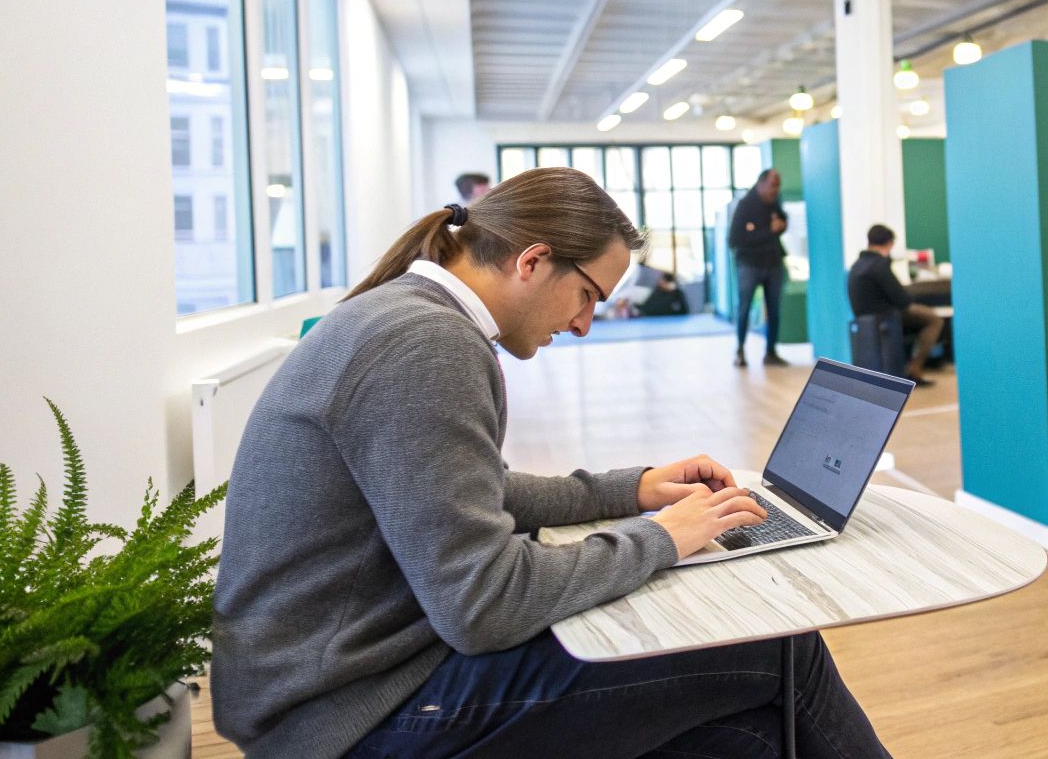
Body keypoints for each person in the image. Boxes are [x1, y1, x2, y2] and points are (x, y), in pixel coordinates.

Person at [212, 168, 890, 759]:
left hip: (342, 688)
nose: (585, 323)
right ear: (533, 262)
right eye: (588, 295)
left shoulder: (402, 316)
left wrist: (636, 489)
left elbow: (476, 493)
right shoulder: (425, 342)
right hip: (353, 715)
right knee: (781, 648)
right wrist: (662, 537)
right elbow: (485, 602)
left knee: (755, 739)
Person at [848, 224, 945, 383]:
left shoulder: (857, 265)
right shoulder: (879, 265)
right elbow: (903, 300)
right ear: (890, 243)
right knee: (934, 319)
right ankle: (915, 368)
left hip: (868, 318)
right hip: (885, 316)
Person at [727, 168, 789, 368]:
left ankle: (771, 352)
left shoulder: (775, 202)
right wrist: (768, 232)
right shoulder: (745, 205)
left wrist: (782, 225)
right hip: (749, 265)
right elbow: (734, 240)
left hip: (773, 264)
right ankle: (740, 350)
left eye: (778, 186)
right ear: (760, 184)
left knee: (774, 310)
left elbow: (782, 221)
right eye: (772, 185)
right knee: (744, 308)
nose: (775, 190)